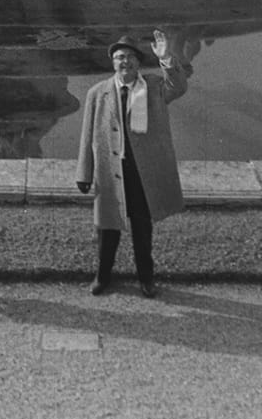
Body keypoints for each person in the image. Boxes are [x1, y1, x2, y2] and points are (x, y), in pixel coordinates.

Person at [75, 31, 186, 297]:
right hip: (109, 170)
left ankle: (146, 278)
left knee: (142, 227)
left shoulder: (153, 87)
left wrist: (166, 58)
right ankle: (103, 276)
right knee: (107, 228)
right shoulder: (97, 93)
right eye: (120, 57)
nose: (125, 62)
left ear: (138, 62)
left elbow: (179, 86)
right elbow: (87, 135)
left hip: (141, 172)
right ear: (113, 62)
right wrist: (84, 172)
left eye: (130, 58)